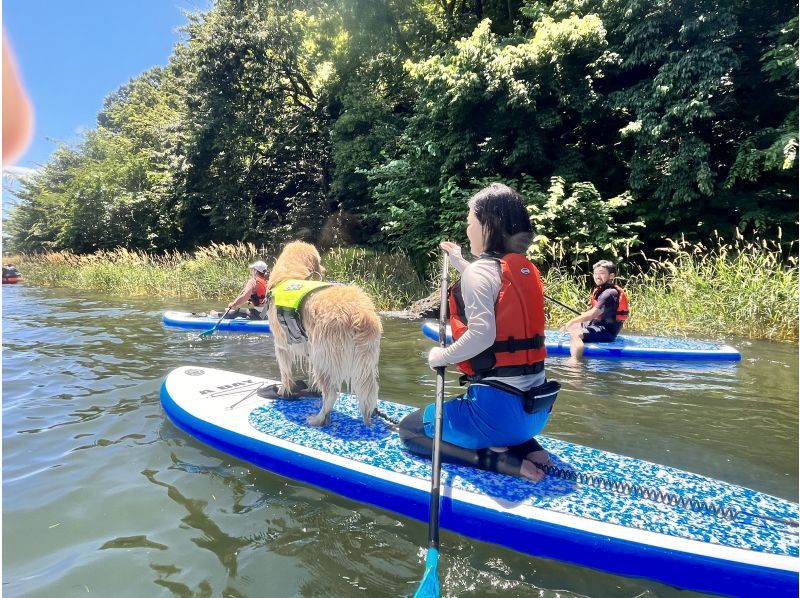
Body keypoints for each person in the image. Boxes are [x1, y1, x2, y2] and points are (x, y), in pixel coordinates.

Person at [398, 183, 559, 482]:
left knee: (410, 430)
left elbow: (483, 335)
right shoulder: (525, 269)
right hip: (537, 411)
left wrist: (440, 356)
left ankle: (499, 461)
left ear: (488, 224)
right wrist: (460, 260)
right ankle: (529, 448)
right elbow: (487, 282)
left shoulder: (481, 272)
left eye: (470, 219)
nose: (467, 226)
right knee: (500, 405)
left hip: (498, 416)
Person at [559, 260, 629, 361]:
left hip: (606, 332)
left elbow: (593, 313)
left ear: (611, 276)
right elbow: (596, 312)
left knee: (575, 334)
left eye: (602, 273)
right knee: (572, 327)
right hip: (597, 325)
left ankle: (575, 362)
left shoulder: (609, 293)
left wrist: (571, 321)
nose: (597, 276)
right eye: (595, 273)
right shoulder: (602, 290)